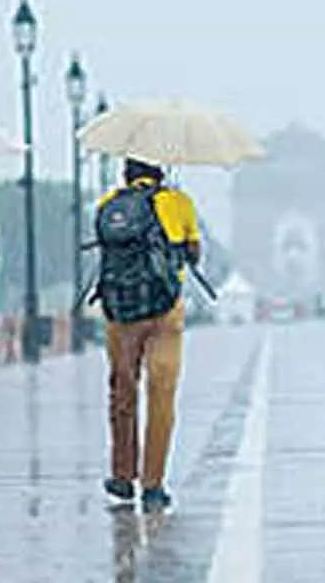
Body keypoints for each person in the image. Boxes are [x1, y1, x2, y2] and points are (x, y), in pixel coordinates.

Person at [94, 157, 200, 514]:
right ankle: (153, 486)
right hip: (164, 311)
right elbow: (194, 253)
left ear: (127, 174)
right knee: (161, 395)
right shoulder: (179, 202)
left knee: (123, 391)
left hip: (120, 311)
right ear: (160, 172)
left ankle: (122, 475)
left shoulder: (109, 205)